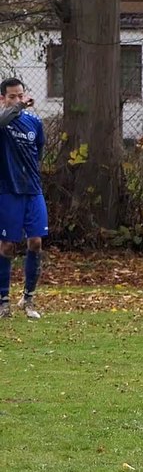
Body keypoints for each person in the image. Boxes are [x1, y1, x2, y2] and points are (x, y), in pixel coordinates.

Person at [0, 78, 47, 320]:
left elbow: (38, 151)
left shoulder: (34, 123)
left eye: (20, 96)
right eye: (12, 97)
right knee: (7, 245)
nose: (18, 100)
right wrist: (17, 108)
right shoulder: (3, 122)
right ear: (2, 99)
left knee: (36, 242)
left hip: (33, 190)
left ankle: (28, 299)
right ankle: (3, 301)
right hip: (8, 191)